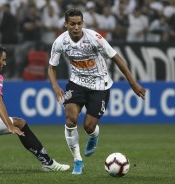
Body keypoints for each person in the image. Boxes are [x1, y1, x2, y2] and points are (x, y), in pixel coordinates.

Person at [47, 9, 146, 175]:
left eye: (79, 23)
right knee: (70, 120)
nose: (76, 27)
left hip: (100, 85)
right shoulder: (60, 42)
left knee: (89, 126)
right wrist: (56, 86)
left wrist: (133, 83)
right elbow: (52, 67)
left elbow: (116, 58)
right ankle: (77, 161)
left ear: (82, 23)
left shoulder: (94, 38)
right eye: (72, 24)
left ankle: (93, 136)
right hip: (76, 83)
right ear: (66, 24)